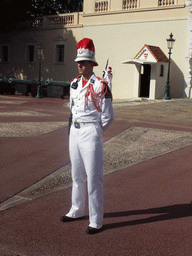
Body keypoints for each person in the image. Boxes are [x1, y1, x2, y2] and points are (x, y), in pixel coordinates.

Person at [60, 38, 114, 234]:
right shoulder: (74, 83)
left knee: (93, 177)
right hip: (74, 131)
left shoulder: (101, 85)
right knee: (76, 174)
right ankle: (76, 209)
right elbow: (72, 109)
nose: (79, 64)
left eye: (83, 61)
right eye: (78, 61)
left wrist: (97, 132)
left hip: (91, 131)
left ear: (92, 63)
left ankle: (95, 220)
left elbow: (108, 116)